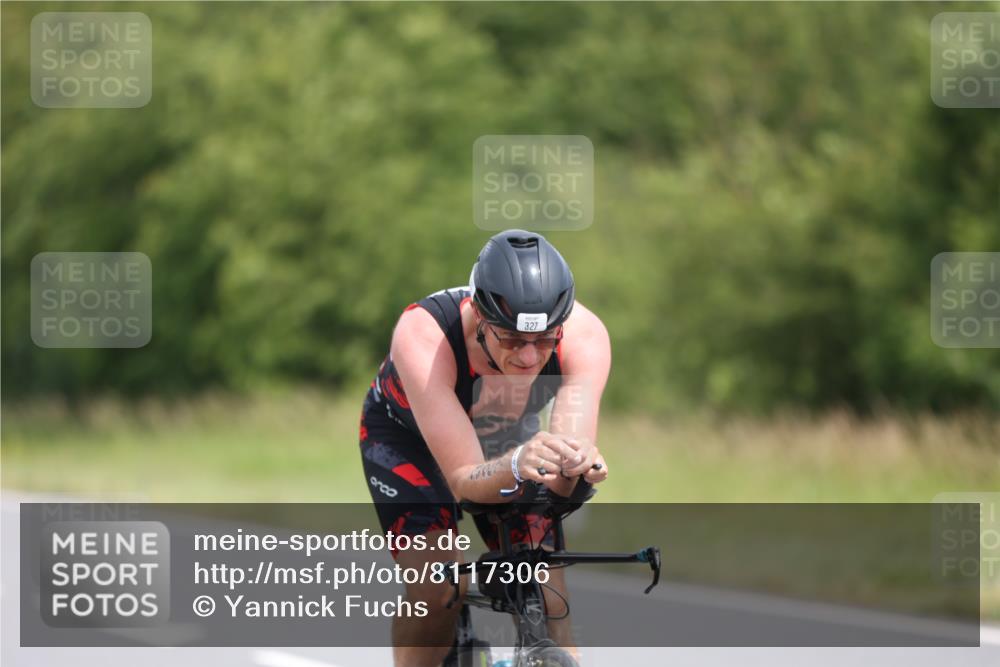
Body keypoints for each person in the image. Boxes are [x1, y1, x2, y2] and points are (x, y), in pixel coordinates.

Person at [359, 229, 611, 666]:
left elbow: (561, 480)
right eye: (511, 339)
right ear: (479, 317)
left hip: (506, 436)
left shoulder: (584, 337)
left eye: (545, 340)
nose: (529, 357)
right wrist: (516, 464)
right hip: (408, 439)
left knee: (549, 597)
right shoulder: (424, 335)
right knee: (438, 589)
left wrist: (577, 469)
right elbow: (464, 480)